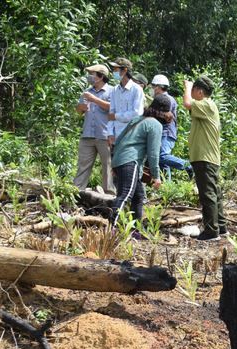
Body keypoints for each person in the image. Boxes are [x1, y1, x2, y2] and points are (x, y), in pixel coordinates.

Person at [108, 94, 170, 234]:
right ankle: (110, 229)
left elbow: (119, 140)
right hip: (130, 161)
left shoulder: (138, 120)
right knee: (125, 194)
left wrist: (114, 162)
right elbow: (153, 153)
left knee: (139, 196)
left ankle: (137, 231)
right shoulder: (155, 124)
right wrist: (156, 176)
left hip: (122, 160)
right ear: (165, 113)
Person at [183, 76, 225, 242]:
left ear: (200, 92)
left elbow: (187, 103)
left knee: (207, 194)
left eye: (194, 91)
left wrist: (187, 87)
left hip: (205, 158)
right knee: (214, 193)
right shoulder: (206, 107)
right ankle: (220, 227)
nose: (191, 94)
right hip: (207, 157)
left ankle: (211, 231)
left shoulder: (206, 104)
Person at [73, 64, 115, 195]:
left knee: (108, 167)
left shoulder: (112, 91)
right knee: (82, 165)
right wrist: (82, 107)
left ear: (101, 76)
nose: (89, 77)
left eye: (92, 74)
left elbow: (113, 108)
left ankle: (110, 196)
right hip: (88, 135)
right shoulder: (87, 91)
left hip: (105, 135)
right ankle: (75, 193)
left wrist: (95, 100)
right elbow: (79, 110)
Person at [151, 74, 192, 179]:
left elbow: (163, 118)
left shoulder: (167, 99)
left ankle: (188, 166)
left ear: (158, 87)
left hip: (166, 133)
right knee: (162, 162)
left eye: (153, 86)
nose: (151, 89)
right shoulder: (160, 99)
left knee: (161, 156)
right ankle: (166, 188)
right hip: (162, 133)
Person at [106, 57, 144, 150]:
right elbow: (111, 114)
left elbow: (136, 115)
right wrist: (110, 133)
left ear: (124, 71)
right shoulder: (115, 90)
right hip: (115, 136)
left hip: (130, 136)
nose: (113, 72)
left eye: (116, 69)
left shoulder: (136, 89)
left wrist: (116, 116)